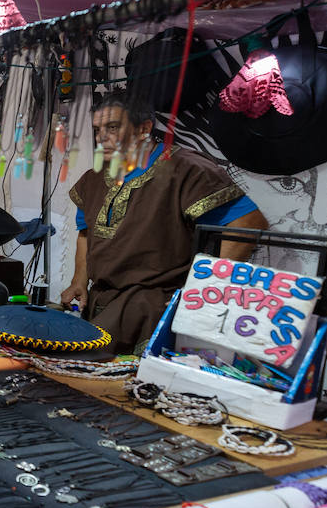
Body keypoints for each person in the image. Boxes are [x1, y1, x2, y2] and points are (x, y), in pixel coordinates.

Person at [63, 92, 268, 353]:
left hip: (151, 307)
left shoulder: (185, 169)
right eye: (97, 129)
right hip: (100, 302)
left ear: (143, 129)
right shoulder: (95, 177)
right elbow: (85, 233)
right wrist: (79, 281)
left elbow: (249, 223)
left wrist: (205, 291)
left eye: (113, 127)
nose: (102, 137)